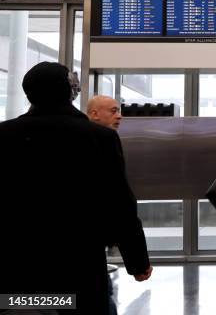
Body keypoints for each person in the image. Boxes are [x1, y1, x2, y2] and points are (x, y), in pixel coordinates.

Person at [0, 62, 152, 315]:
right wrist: (137, 261)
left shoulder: (4, 135)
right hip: (79, 264)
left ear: (29, 93)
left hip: (16, 265)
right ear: (71, 91)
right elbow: (120, 203)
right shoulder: (99, 138)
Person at [87, 95, 126, 315]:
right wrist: (138, 262)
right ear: (94, 114)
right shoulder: (103, 141)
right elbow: (119, 200)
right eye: (113, 111)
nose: (119, 116)